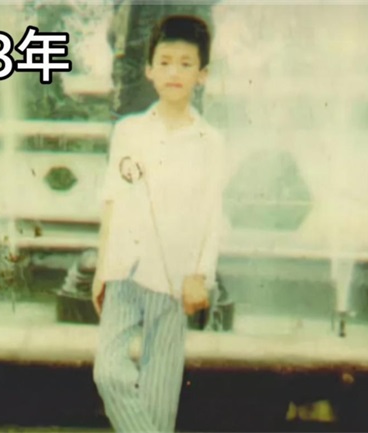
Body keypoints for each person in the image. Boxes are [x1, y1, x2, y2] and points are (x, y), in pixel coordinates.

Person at [92, 15, 226, 433]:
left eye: (186, 63)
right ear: (149, 69)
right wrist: (100, 270)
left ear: (202, 74)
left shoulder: (210, 142)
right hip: (125, 274)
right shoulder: (129, 131)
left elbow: (212, 215)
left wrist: (201, 275)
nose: (174, 72)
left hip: (173, 280)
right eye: (165, 62)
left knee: (159, 398)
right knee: (108, 373)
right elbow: (113, 201)